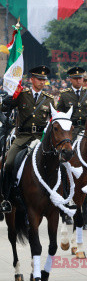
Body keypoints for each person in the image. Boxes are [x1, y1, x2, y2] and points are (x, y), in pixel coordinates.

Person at [0, 66, 55, 213]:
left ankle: (61, 197)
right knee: (9, 162)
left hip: (40, 138)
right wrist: (9, 99)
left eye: (44, 80)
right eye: (39, 79)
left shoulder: (49, 99)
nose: (42, 82)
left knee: (59, 163)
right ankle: (5, 197)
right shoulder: (22, 95)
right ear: (32, 80)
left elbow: (54, 120)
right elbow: (4, 109)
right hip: (23, 137)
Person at [57, 67, 87, 140]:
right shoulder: (64, 94)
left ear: (82, 79)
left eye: (80, 78)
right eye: (75, 79)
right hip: (71, 130)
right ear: (70, 80)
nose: (78, 81)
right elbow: (59, 113)